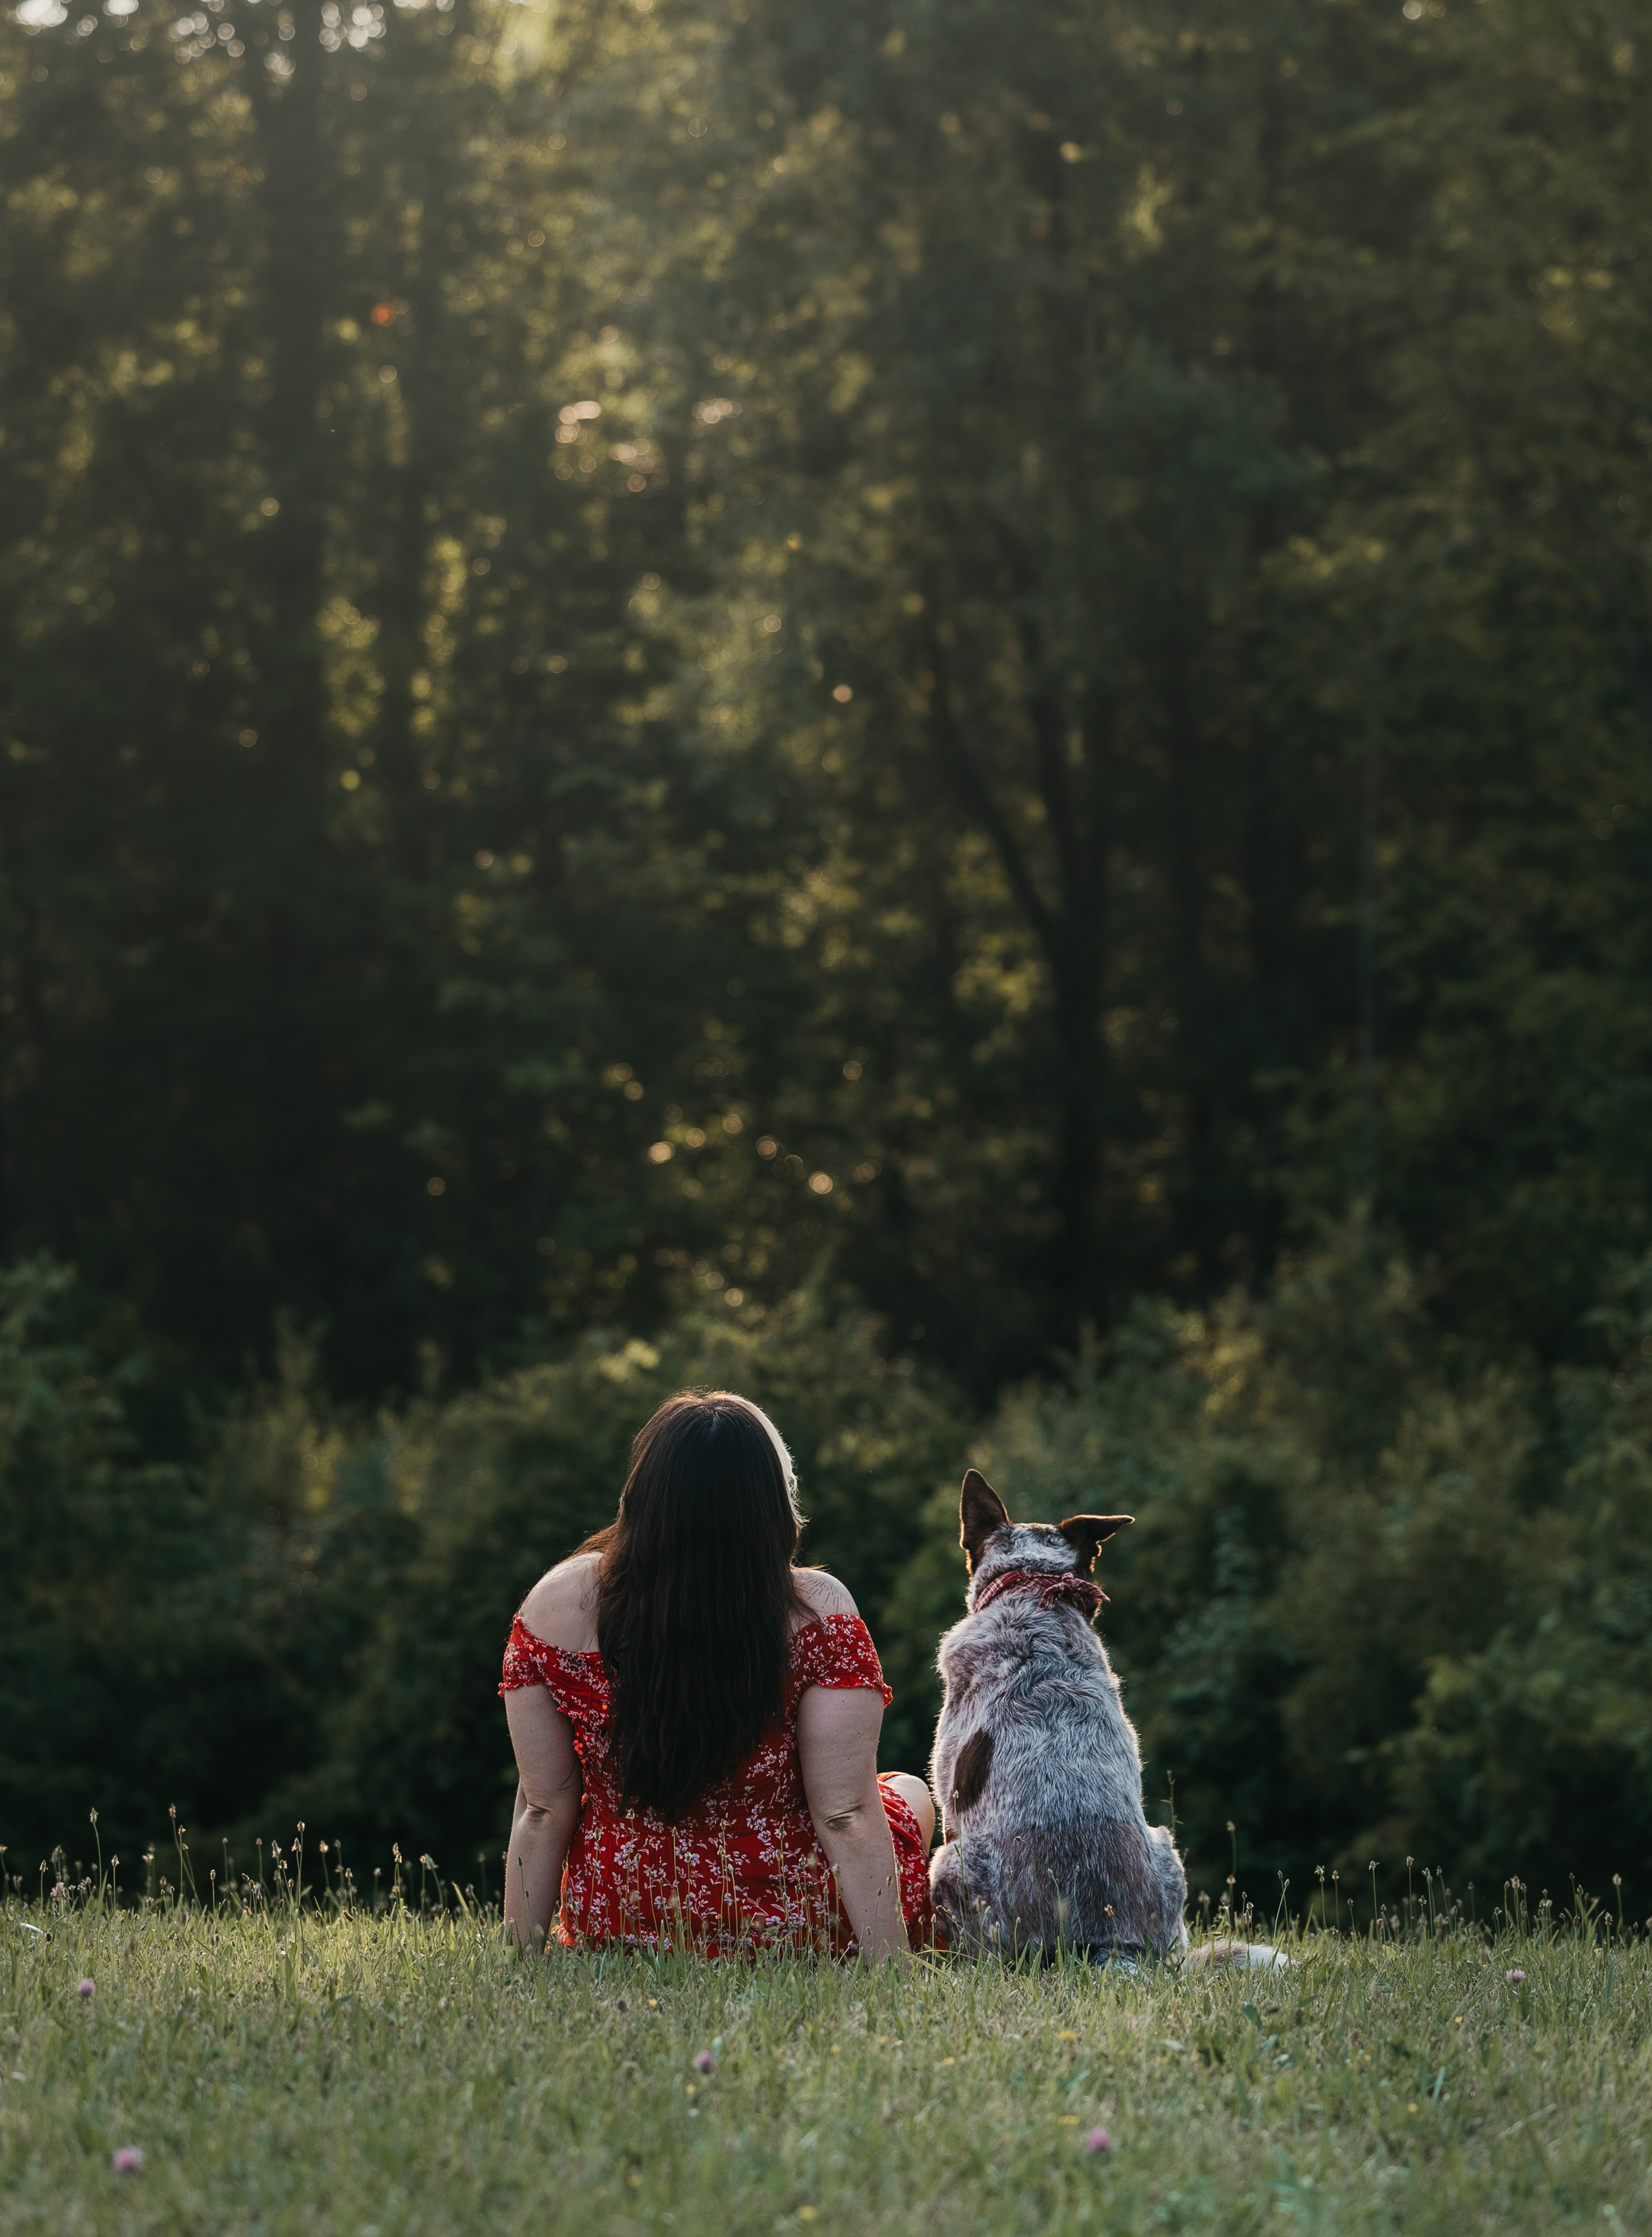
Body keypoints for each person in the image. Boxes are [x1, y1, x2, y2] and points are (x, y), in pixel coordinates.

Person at [499, 1390, 935, 1960]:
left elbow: (542, 1806)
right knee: (910, 1792)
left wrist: (519, 1962)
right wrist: (893, 1973)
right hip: (786, 1923)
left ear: (640, 1498)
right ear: (770, 1507)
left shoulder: (553, 1604)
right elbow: (844, 1813)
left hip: (622, 1917)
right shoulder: (816, 1613)